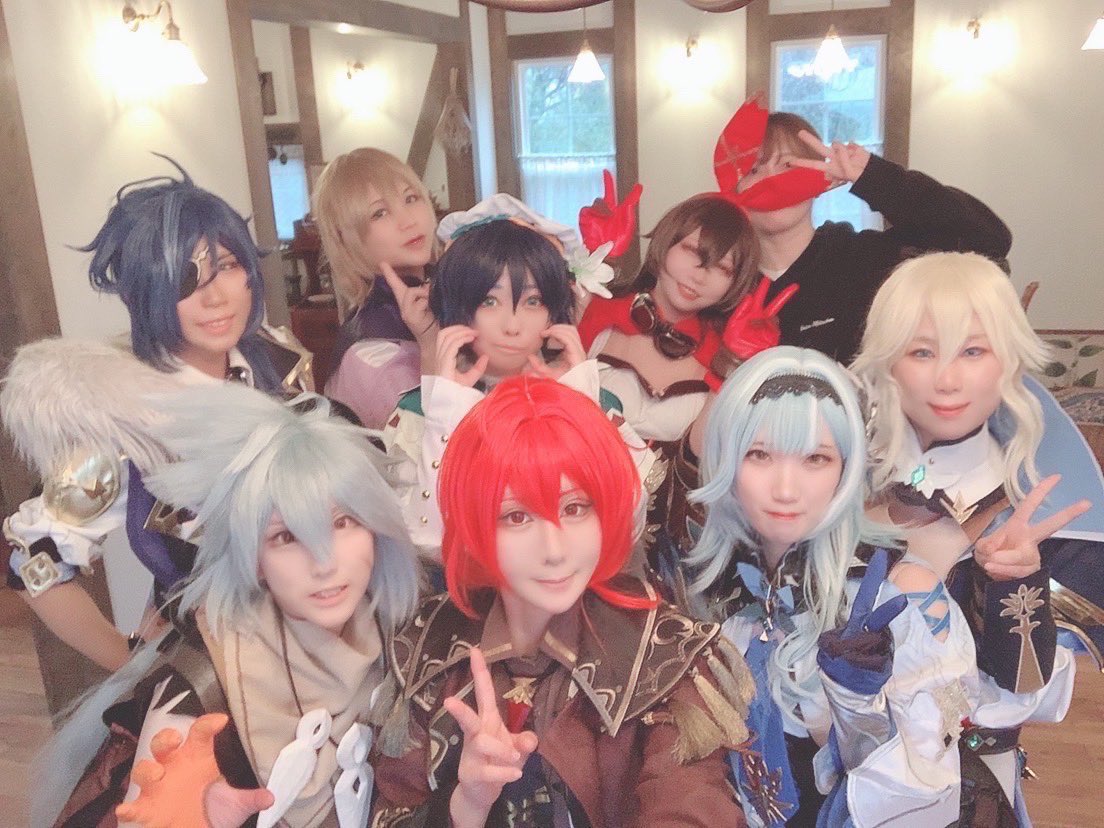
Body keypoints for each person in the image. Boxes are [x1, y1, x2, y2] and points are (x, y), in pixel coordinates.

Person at [371, 375, 754, 827]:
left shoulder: (668, 655)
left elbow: (690, 804)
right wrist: (466, 805)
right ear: (475, 522)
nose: (554, 550)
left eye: (574, 508)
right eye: (517, 516)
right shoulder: (427, 644)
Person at [35, 384, 421, 828]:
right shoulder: (198, 695)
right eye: (287, 536)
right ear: (253, 559)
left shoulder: (405, 634)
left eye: (343, 522)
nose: (324, 562)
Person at [2, 159, 312, 673]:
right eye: (182, 278)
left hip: (325, 641)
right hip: (222, 671)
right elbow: (35, 560)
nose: (215, 296)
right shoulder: (125, 419)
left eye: (228, 265)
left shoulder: (279, 363)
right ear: (139, 292)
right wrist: (133, 665)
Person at [852, 251, 1100, 825]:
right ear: (888, 363)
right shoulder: (829, 482)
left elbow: (1024, 691)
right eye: (922, 352)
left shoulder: (1050, 515)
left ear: (1008, 361)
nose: (947, 380)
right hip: (834, 780)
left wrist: (1017, 584)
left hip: (970, 793)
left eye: (972, 351)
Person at [686, 346, 978, 827]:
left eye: (815, 459)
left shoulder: (899, 595)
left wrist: (859, 704)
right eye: (759, 454)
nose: (786, 489)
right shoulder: (712, 584)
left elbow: (926, 797)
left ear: (846, 469)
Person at [381, 193, 656, 561]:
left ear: (555, 310)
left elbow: (625, 524)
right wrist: (448, 412)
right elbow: (427, 542)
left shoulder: (595, 402)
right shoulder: (421, 412)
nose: (512, 325)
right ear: (457, 308)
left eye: (532, 302)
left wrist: (580, 403)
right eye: (489, 302)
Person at [731, 106, 1012, 364]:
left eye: (788, 165)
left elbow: (985, 241)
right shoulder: (721, 283)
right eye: (754, 170)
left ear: (819, 177)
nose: (770, 180)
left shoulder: (867, 261)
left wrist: (874, 177)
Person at [313, 147, 439, 427]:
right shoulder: (372, 356)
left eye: (411, 198)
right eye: (379, 213)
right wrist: (431, 347)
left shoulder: (443, 293)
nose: (408, 221)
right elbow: (428, 444)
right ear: (345, 238)